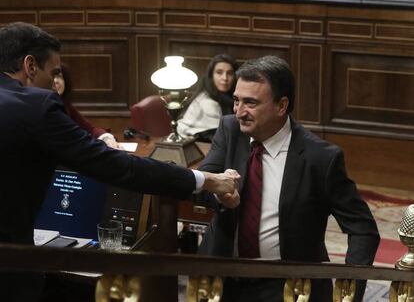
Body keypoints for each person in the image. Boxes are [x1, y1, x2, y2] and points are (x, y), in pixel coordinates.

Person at [0, 22, 240, 302]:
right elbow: (118, 167)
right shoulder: (34, 106)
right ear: (30, 66)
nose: (55, 85)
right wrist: (206, 180)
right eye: (53, 74)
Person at [196, 55, 380, 302]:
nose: (239, 112)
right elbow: (203, 188)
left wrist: (348, 292)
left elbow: (362, 228)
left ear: (282, 105)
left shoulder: (321, 158)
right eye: (237, 101)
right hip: (223, 283)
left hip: (291, 288)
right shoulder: (229, 131)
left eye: (250, 103)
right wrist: (219, 191)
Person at [53, 63, 122, 149]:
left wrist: (106, 137)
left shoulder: (66, 104)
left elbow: (90, 129)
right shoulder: (43, 108)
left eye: (59, 77)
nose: (55, 81)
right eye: (52, 76)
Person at [177, 54, 238, 142]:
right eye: (219, 72)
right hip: (193, 143)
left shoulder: (231, 98)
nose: (225, 78)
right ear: (211, 76)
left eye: (229, 73)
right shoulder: (207, 101)